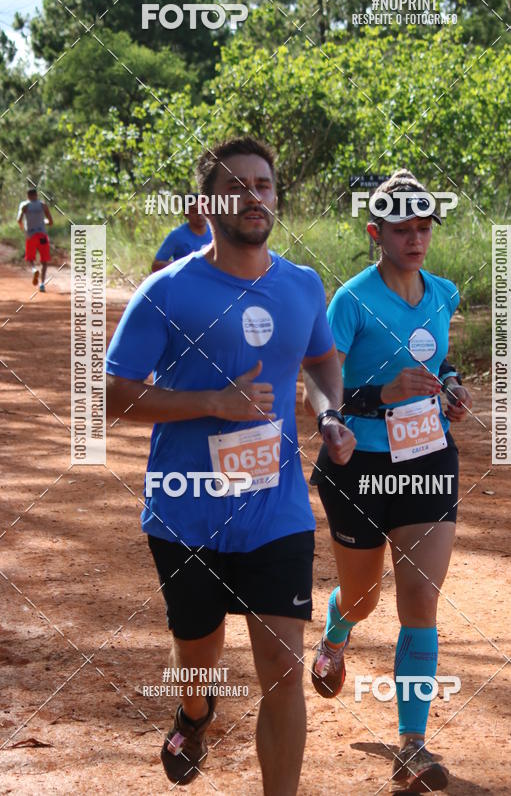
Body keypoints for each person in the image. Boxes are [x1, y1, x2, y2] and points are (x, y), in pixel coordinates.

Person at [105, 136, 355, 793]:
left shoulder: (301, 285)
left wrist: (329, 412)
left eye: (264, 184)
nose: (253, 196)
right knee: (200, 652)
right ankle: (195, 713)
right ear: (205, 203)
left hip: (275, 512)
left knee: (281, 664)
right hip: (186, 511)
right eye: (236, 185)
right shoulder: (168, 292)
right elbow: (113, 393)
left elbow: (322, 359)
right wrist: (213, 400)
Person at [307, 169, 472, 793]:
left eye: (424, 228)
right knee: (363, 598)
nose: (415, 239)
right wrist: (375, 397)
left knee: (420, 601)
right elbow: (320, 385)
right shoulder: (348, 301)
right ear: (375, 232)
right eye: (402, 229)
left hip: (428, 459)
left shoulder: (444, 293)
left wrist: (450, 388)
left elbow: (439, 363)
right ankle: (337, 631)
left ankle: (413, 744)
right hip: (359, 468)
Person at [151, 195, 213, 272]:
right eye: (194, 211)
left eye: (203, 209)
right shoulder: (177, 236)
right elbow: (156, 266)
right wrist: (185, 265)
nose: (200, 214)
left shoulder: (216, 232)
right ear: (186, 214)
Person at [17, 187, 53, 291]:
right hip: (42, 235)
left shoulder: (25, 205)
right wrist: (43, 222)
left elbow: (19, 220)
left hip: (31, 236)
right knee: (45, 260)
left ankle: (33, 270)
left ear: (28, 196)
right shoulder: (43, 205)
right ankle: (42, 284)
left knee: (30, 258)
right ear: (36, 195)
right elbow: (50, 222)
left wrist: (24, 230)